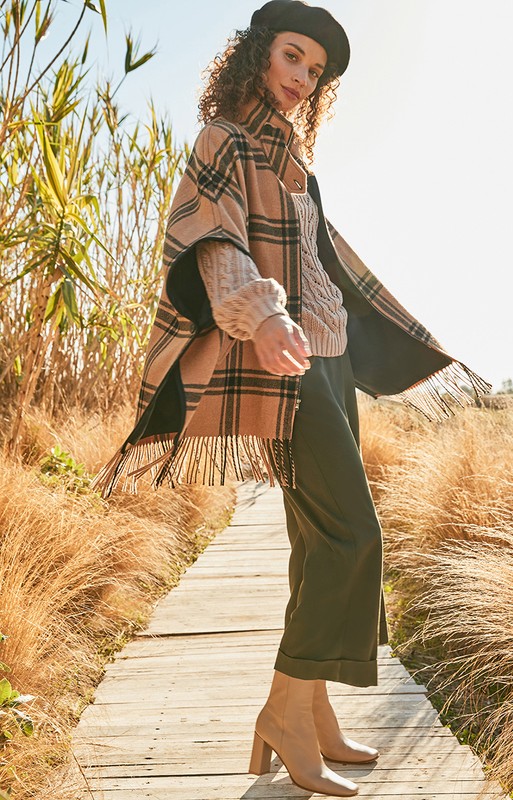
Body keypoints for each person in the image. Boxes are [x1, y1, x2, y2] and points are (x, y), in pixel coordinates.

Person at [92, 1, 490, 796]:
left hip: (329, 361)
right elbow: (212, 239)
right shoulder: (222, 141)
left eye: (316, 72)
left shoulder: (296, 164)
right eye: (293, 56)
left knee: (316, 542)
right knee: (352, 536)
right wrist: (264, 316)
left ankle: (313, 712)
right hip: (284, 358)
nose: (302, 78)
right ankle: (282, 712)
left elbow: (324, 263)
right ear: (256, 53)